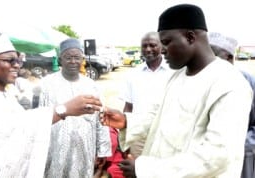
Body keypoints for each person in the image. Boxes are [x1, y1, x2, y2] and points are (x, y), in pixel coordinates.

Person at [100, 4, 253, 178]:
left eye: (166, 42)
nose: (162, 50)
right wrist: (127, 121)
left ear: (190, 37)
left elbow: (217, 156)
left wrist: (144, 170)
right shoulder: (177, 76)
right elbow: (157, 116)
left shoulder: (229, 83)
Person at [0, 34, 103, 177]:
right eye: (10, 60)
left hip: (83, 152)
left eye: (18, 60)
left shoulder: (4, 93)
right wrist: (64, 110)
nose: (17, 65)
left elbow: (21, 122)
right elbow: (12, 129)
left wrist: (101, 150)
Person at [39, 38, 112, 178]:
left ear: (82, 59)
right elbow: (40, 119)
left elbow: (101, 120)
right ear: (60, 60)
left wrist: (103, 150)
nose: (73, 61)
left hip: (84, 150)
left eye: (77, 57)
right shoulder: (46, 85)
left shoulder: (92, 86)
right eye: (68, 57)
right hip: (55, 150)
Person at [208, 32, 255, 178]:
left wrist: (243, 144)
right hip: (208, 156)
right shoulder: (204, 80)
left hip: (242, 152)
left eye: (214, 56)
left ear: (229, 58)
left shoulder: (247, 80)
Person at [121, 31, 174, 158]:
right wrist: (125, 136)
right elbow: (128, 107)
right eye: (144, 46)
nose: (148, 49)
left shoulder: (174, 72)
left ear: (161, 47)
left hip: (166, 134)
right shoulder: (133, 75)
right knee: (138, 170)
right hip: (138, 136)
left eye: (152, 45)